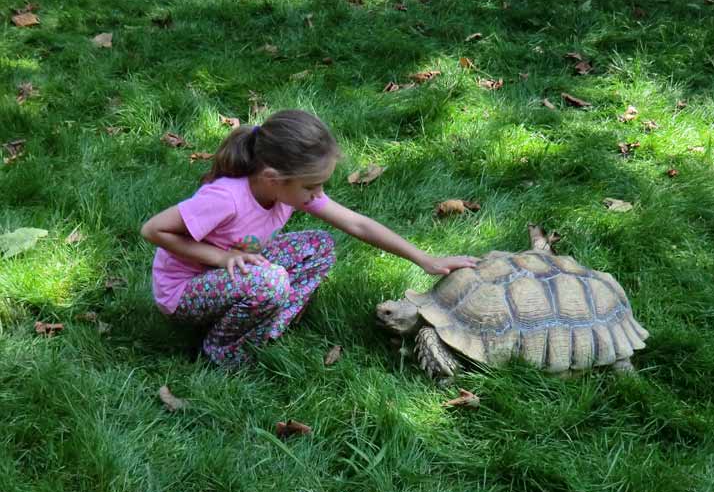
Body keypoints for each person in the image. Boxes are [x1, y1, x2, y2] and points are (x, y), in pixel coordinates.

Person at [140, 109, 478, 369]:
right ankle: (221, 350)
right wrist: (220, 259)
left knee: (319, 245)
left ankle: (263, 329)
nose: (318, 195)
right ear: (273, 178)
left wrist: (425, 259)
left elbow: (357, 225)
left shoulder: (288, 191)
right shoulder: (225, 198)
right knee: (270, 282)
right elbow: (153, 229)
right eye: (311, 187)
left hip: (235, 274)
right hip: (185, 293)